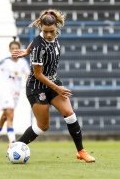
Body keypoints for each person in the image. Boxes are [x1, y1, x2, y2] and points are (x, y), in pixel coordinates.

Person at [12, 9, 95, 163]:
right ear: (41, 29)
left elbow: (36, 41)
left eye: (51, 31)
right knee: (43, 126)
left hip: (53, 82)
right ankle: (17, 145)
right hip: (37, 87)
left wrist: (26, 51)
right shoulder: (38, 46)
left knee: (69, 113)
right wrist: (57, 88)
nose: (49, 35)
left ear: (57, 27)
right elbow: (38, 74)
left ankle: (81, 151)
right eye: (45, 32)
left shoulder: (53, 38)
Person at [0, 37, 30, 150]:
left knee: (5, 116)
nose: (14, 50)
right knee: (10, 115)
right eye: (12, 48)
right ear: (9, 50)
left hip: (16, 94)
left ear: (20, 50)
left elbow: (28, 72)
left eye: (17, 48)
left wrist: (27, 75)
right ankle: (13, 143)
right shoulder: (5, 61)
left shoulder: (23, 62)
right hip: (5, 92)